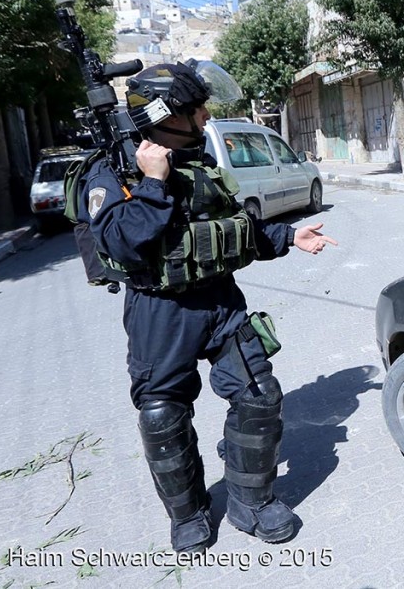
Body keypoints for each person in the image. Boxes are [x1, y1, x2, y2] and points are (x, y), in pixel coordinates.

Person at [76, 61, 337, 554]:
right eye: (195, 111)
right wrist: (153, 183)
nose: (204, 119)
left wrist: (287, 235)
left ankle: (251, 502)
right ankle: (188, 514)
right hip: (159, 311)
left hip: (221, 302)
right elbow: (122, 240)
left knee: (259, 394)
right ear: (165, 114)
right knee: (162, 413)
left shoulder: (199, 163)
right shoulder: (113, 169)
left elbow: (231, 229)